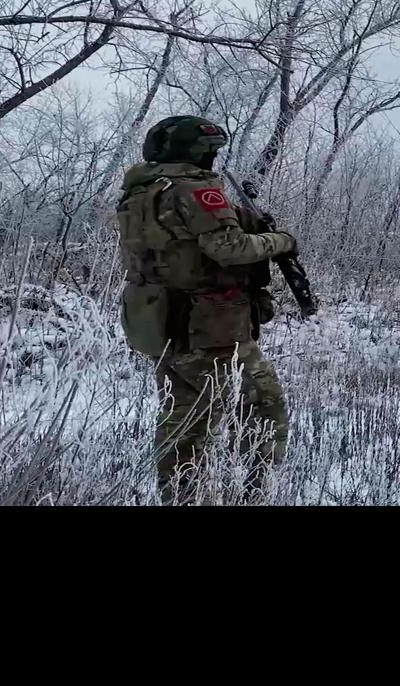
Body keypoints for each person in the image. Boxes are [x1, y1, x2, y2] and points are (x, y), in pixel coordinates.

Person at [115, 115, 299, 504]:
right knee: (265, 407)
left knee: (185, 417)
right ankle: (254, 495)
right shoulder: (194, 190)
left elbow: (175, 250)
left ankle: (181, 497)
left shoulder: (139, 192)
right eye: (210, 151)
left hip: (160, 322)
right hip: (210, 328)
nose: (213, 158)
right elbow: (228, 248)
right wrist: (280, 241)